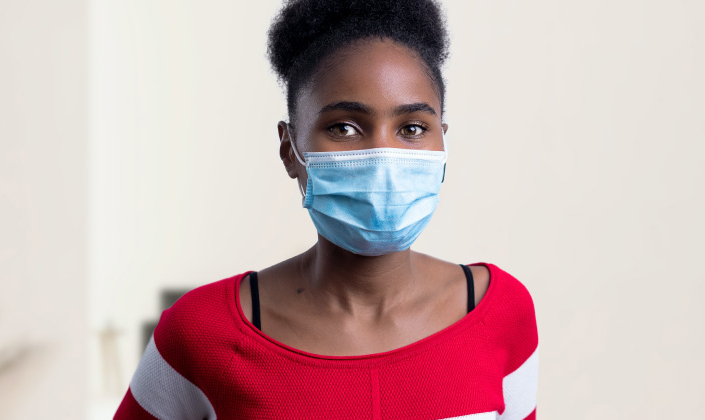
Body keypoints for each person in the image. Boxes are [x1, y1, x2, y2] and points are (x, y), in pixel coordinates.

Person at [114, 0, 539, 418]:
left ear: (442, 142)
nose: (383, 157)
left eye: (412, 128)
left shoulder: (502, 312)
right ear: (289, 149)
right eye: (344, 128)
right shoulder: (201, 332)